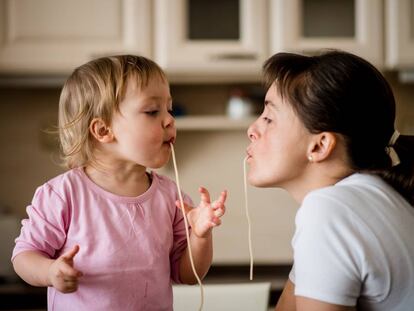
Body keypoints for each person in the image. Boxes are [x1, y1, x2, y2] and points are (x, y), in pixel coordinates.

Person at [12, 55, 227, 311]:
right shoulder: (63, 194)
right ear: (103, 131)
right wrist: (50, 271)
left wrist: (201, 236)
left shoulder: (172, 197)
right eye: (152, 111)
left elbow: (189, 275)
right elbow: (24, 257)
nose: (170, 120)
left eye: (169, 109)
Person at [246, 50, 414, 311]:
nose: (252, 130)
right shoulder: (370, 196)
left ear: (320, 145)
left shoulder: (329, 211)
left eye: (268, 118)